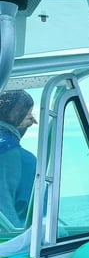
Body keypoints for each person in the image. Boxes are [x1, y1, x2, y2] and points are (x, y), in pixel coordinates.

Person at [0, 90, 38, 228]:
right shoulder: (11, 153)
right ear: (15, 116)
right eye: (28, 115)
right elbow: (4, 209)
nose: (33, 121)